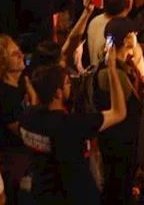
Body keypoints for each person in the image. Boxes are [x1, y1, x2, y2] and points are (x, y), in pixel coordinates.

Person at [19, 58, 127, 205]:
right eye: (67, 83)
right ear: (58, 93)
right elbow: (119, 112)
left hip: (42, 195)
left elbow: (35, 104)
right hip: (75, 197)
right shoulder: (71, 125)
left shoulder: (27, 118)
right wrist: (112, 70)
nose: (71, 86)